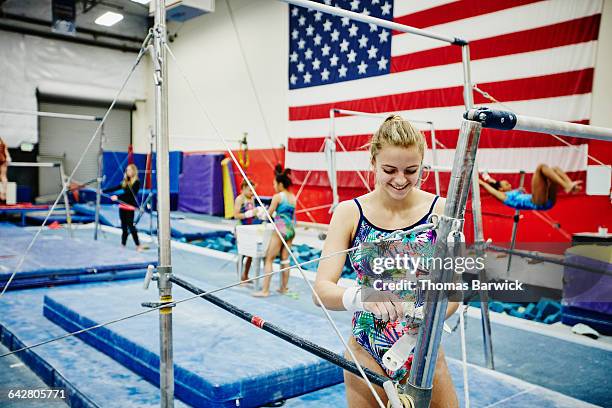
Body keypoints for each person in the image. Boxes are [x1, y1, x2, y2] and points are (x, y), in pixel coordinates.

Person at [313, 115, 458, 407]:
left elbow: (455, 290)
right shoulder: (349, 213)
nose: (401, 179)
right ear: (373, 163)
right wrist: (361, 298)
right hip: (367, 350)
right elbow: (321, 290)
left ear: (423, 167)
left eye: (411, 170)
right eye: (389, 170)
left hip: (423, 350)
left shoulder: (441, 209)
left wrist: (429, 315)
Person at [252, 165, 296, 297]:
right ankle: (284, 288)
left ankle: (265, 290)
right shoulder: (293, 197)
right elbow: (292, 216)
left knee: (269, 259)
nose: (274, 186)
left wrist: (260, 214)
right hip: (291, 227)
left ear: (280, 184)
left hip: (281, 225)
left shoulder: (278, 196)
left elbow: (269, 214)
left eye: (274, 184)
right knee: (285, 259)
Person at [478, 165, 582, 211]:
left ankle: (569, 185)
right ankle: (567, 186)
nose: (509, 185)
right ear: (501, 190)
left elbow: (493, 182)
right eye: (506, 185)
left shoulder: (507, 191)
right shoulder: (502, 196)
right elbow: (485, 185)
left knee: (554, 169)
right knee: (541, 167)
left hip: (546, 201)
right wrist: (474, 177)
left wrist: (486, 176)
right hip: (537, 203)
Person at [104, 164, 142, 250]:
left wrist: (117, 197)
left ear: (133, 171)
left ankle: (138, 245)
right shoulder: (125, 181)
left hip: (130, 207)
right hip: (122, 206)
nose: (127, 172)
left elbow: (130, 195)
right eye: (127, 170)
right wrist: (103, 190)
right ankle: (123, 243)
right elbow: (115, 188)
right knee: (123, 226)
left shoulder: (136, 182)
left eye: (129, 170)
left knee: (131, 226)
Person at [234, 178, 263, 283]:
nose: (252, 192)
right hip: (241, 228)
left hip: (250, 228)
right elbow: (236, 215)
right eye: (250, 190)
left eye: (254, 190)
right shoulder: (240, 199)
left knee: (251, 253)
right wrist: (249, 214)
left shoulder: (252, 199)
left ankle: (245, 275)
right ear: (243, 188)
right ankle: (239, 276)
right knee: (242, 253)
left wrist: (258, 214)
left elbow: (253, 213)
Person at [0, 137, 11, 203]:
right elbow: (6, 151)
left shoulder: (2, 143)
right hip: (3, 158)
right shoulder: (2, 142)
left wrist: (8, 157)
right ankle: (3, 192)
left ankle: (3, 192)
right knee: (3, 176)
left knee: (3, 176)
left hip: (2, 158)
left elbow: (6, 150)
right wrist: (8, 157)